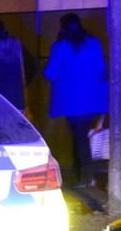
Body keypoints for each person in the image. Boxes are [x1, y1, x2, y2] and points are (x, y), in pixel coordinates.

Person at [43, 12, 108, 188]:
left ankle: (87, 178)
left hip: (72, 101)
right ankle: (81, 173)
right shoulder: (94, 43)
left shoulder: (60, 46)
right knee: (81, 137)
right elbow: (102, 68)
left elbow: (50, 72)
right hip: (94, 99)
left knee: (79, 138)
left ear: (63, 27)